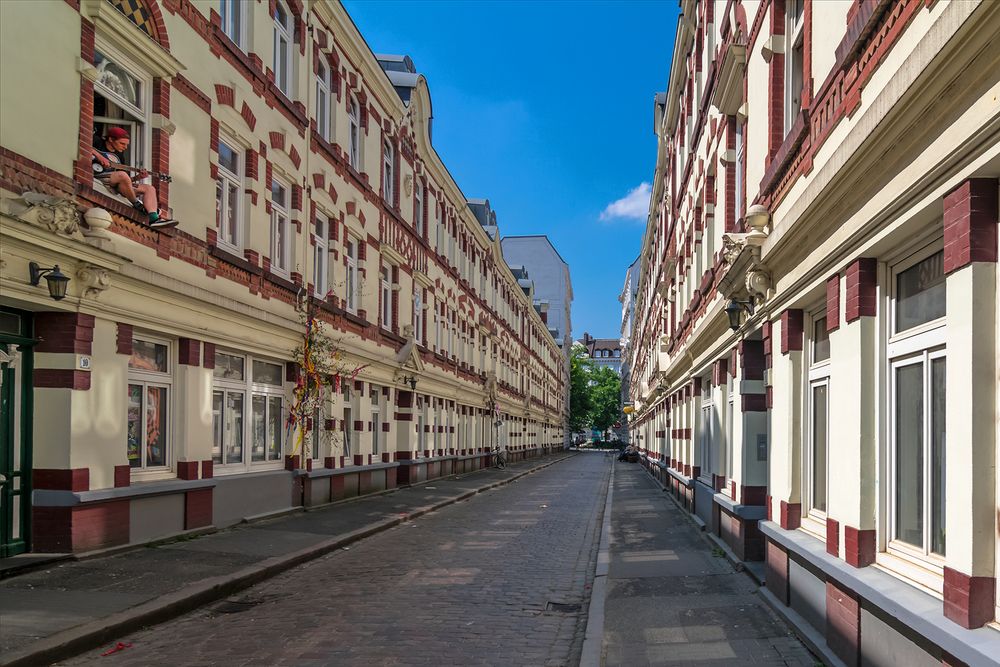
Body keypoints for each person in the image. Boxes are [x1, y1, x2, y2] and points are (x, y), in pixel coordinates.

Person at [92, 127, 175, 228]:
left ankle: (154, 217)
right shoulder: (97, 141)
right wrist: (99, 156)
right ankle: (137, 204)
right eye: (122, 143)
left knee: (149, 188)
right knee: (123, 175)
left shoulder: (119, 156)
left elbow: (125, 181)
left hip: (114, 183)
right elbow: (84, 143)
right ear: (110, 139)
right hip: (99, 176)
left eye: (127, 144)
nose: (125, 147)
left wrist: (137, 177)